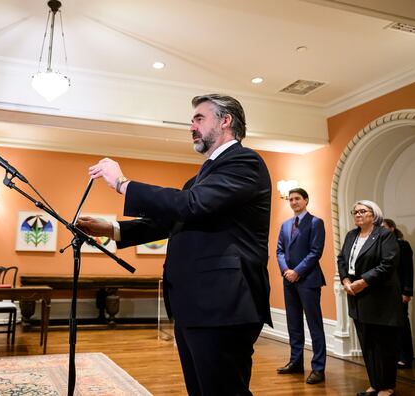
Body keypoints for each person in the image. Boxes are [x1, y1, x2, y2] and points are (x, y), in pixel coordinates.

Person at [78, 94, 272, 395]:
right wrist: (113, 229)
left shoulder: (245, 161)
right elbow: (170, 220)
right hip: (195, 303)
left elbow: (191, 205)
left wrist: (122, 184)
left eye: (199, 118)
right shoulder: (200, 177)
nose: (191, 127)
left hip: (223, 303)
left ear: (225, 120)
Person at [337, 201, 402, 396]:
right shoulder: (351, 235)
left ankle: (387, 386)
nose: (358, 215)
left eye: (362, 211)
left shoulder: (384, 235)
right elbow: (342, 259)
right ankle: (375, 383)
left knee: (384, 346)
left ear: (373, 214)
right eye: (355, 212)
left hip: (380, 298)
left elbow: (388, 263)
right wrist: (346, 279)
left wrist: (363, 282)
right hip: (357, 298)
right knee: (368, 345)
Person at [276, 188, 327, 384]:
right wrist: (286, 271)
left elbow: (315, 252)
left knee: (315, 325)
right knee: (293, 324)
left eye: (297, 199)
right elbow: (279, 250)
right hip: (288, 280)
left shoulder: (315, 223)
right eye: (291, 199)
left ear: (306, 200)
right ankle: (296, 362)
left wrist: (297, 271)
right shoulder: (285, 224)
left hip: (308, 280)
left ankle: (318, 368)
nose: (294, 202)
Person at [382, 218, 414, 369]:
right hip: (384, 292)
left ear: (392, 229)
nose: (381, 229)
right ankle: (392, 355)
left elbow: (408, 270)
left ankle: (405, 357)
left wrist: (406, 291)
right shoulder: (379, 245)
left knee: (401, 324)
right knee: (388, 327)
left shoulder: (403, 245)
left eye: (384, 227)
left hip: (399, 291)